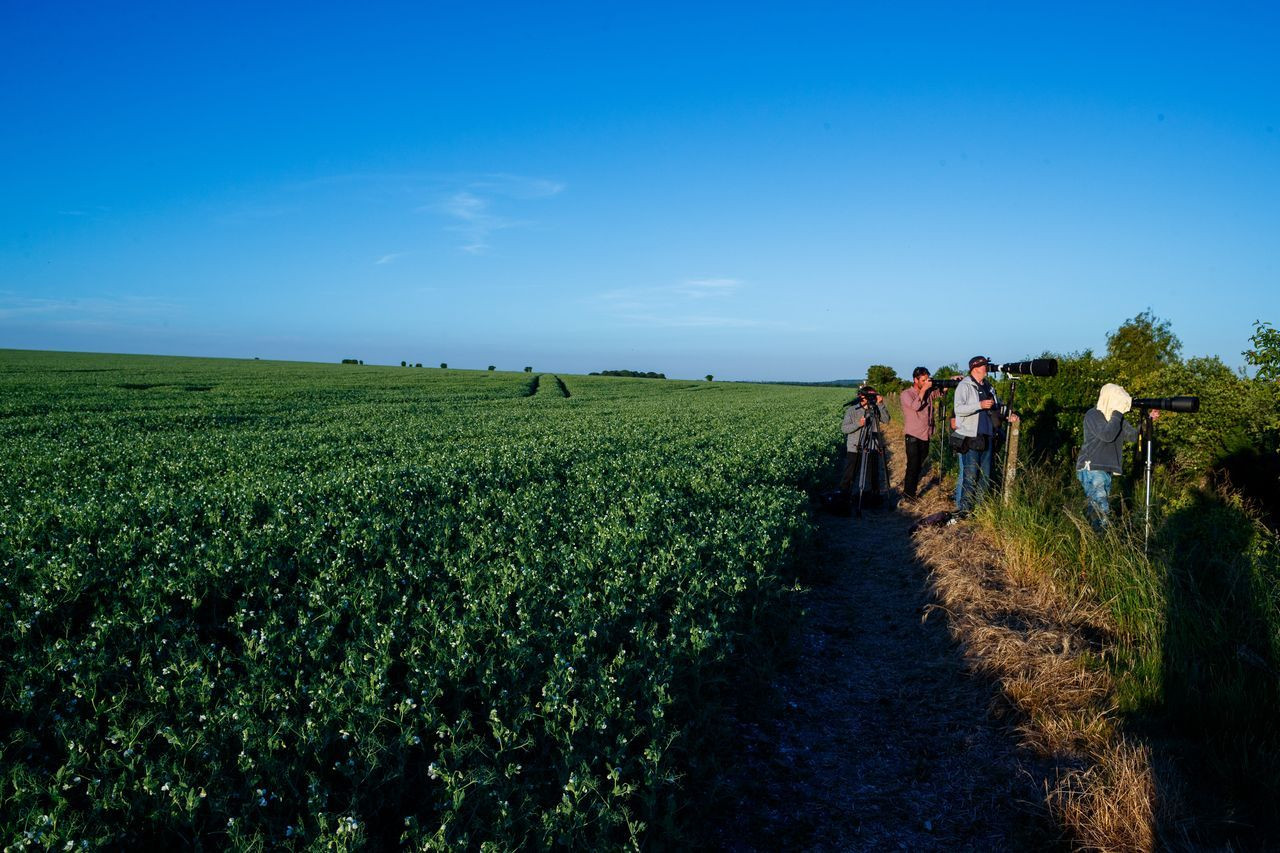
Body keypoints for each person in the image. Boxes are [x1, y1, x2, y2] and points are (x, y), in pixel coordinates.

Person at [1076, 383, 1157, 529]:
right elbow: (1107, 435)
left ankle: (1091, 538)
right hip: (1092, 466)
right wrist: (1118, 413)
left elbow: (1133, 436)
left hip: (1104, 468)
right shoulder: (1093, 414)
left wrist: (1148, 421)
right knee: (1101, 508)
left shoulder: (1116, 418)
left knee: (1097, 507)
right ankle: (1101, 540)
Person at [952, 356, 1016, 515]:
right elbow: (959, 409)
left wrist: (1009, 415)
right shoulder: (964, 386)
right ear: (975, 368)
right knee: (971, 475)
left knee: (985, 478)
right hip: (971, 436)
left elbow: (997, 406)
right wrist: (979, 405)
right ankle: (965, 511)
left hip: (988, 436)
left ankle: (980, 511)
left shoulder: (989, 387)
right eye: (984, 365)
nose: (987, 367)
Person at [899, 367, 947, 501]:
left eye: (927, 379)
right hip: (913, 435)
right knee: (913, 465)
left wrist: (951, 381)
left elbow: (939, 393)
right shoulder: (906, 394)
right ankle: (909, 494)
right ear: (915, 380)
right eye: (923, 380)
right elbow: (915, 406)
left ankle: (910, 488)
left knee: (919, 464)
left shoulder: (929, 393)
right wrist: (925, 390)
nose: (926, 382)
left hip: (926, 434)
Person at [841, 385, 890, 501]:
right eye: (870, 395)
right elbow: (844, 429)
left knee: (873, 475)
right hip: (855, 447)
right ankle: (843, 497)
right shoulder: (852, 410)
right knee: (849, 475)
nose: (872, 398)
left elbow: (887, 420)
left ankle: (873, 498)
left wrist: (881, 405)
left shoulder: (876, 409)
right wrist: (858, 424)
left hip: (871, 446)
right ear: (861, 396)